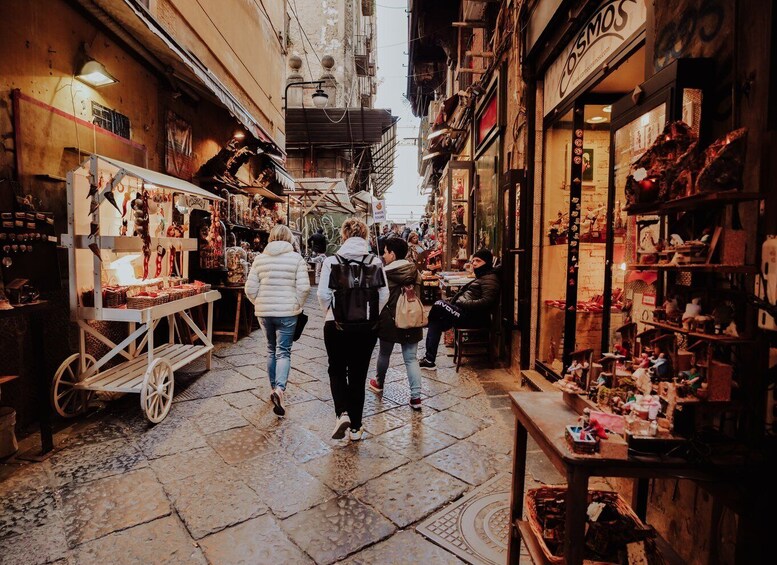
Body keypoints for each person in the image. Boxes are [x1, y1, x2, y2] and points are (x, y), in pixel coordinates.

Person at [318, 218, 389, 440]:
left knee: (336, 369)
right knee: (358, 374)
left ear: (344, 236)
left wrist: (330, 313)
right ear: (366, 237)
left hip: (336, 325)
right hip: (366, 327)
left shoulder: (332, 261)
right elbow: (384, 294)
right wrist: (370, 314)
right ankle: (356, 428)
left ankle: (342, 412)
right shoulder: (375, 262)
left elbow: (322, 295)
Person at [245, 224, 310, 417]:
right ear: (289, 239)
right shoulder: (296, 259)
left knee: (271, 349)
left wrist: (259, 302)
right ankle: (279, 389)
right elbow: (305, 288)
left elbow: (249, 289)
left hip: (264, 312)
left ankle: (273, 387)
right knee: (284, 352)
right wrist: (297, 304)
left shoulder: (259, 259)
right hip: (288, 312)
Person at [419, 248, 500, 369]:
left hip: (472, 318)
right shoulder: (483, 276)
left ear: (486, 262)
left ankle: (426, 322)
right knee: (435, 323)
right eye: (473, 261)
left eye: (478, 261)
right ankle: (429, 360)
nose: (474, 263)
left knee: (438, 304)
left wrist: (463, 302)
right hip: (464, 313)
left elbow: (487, 302)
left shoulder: (490, 279)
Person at [368, 237, 424, 409]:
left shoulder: (383, 273)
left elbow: (377, 298)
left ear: (392, 254)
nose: (383, 256)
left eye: (385, 252)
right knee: (411, 359)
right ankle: (416, 397)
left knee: (384, 353)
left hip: (388, 319)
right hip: (411, 318)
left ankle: (379, 383)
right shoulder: (415, 271)